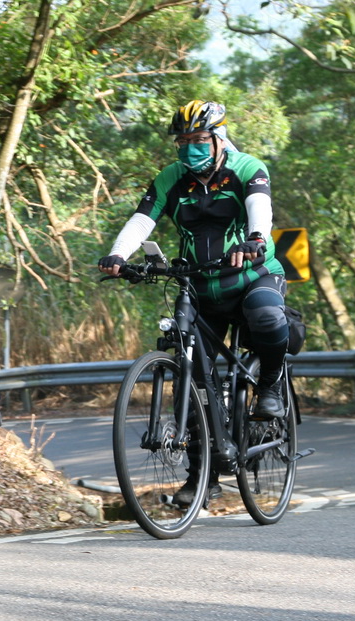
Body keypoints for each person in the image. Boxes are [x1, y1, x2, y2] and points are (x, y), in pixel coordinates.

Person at [98, 100, 290, 506]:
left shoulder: (246, 168)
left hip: (252, 276)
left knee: (267, 316)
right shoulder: (171, 177)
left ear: (218, 138)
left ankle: (271, 384)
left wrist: (255, 240)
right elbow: (143, 218)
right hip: (200, 285)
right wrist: (119, 255)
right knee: (193, 375)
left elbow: (261, 210)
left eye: (199, 139)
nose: (190, 148)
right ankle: (203, 474)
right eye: (183, 141)